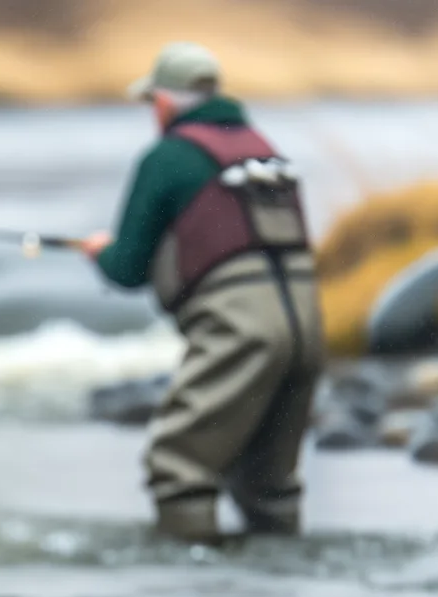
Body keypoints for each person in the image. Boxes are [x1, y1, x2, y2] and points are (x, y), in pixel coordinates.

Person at [81, 42, 324, 545]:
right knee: (271, 483)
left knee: (180, 469)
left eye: (152, 104)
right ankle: (288, 594)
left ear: (164, 102)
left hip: (241, 328)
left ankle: (189, 596)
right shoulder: (264, 148)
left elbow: (127, 268)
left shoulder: (168, 157)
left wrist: (98, 252)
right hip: (307, 328)